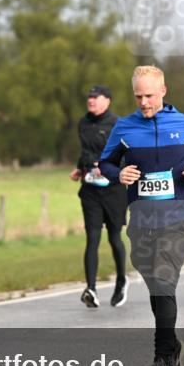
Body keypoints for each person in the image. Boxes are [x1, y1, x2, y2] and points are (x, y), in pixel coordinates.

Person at [99, 65, 184, 366]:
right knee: (154, 279)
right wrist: (117, 174)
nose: (144, 102)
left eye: (149, 95)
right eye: (138, 96)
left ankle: (163, 356)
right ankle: (173, 347)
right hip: (141, 217)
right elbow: (106, 162)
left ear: (163, 91)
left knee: (164, 278)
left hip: (179, 215)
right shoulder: (124, 127)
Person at [70, 86, 129, 308]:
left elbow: (126, 154)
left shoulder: (118, 124)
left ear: (108, 101)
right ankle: (91, 288)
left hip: (113, 189)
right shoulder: (83, 122)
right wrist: (80, 168)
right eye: (89, 97)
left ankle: (121, 282)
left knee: (114, 237)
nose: (91, 101)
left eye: (96, 97)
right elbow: (85, 150)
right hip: (90, 189)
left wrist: (109, 166)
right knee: (92, 238)